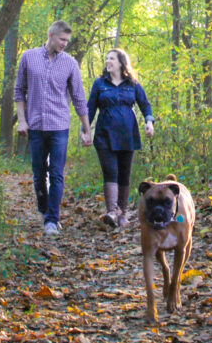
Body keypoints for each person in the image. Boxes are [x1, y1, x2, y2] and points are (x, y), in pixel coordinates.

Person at [15, 20, 92, 237]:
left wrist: (87, 129)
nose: (65, 44)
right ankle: (44, 209)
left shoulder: (70, 64)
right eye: (62, 39)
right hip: (36, 126)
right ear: (50, 35)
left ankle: (52, 219)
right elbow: (19, 91)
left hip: (59, 126)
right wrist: (22, 120)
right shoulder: (28, 58)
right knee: (39, 174)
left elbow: (78, 98)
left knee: (56, 173)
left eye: (67, 40)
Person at [86, 48, 154, 228]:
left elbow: (145, 105)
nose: (107, 61)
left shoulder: (132, 84)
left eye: (111, 59)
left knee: (124, 173)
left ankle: (122, 214)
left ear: (121, 62)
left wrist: (149, 122)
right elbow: (90, 109)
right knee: (110, 171)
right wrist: (85, 130)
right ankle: (111, 212)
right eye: (106, 58)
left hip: (127, 135)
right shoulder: (99, 83)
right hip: (104, 134)